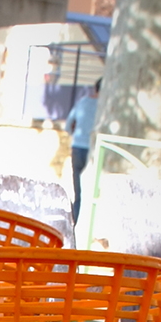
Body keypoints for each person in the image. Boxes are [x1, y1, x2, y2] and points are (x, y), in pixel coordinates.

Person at [66, 78, 100, 221]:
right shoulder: (103, 107)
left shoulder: (82, 102)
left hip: (78, 147)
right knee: (92, 192)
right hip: (94, 150)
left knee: (78, 193)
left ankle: (74, 223)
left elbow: (68, 126)